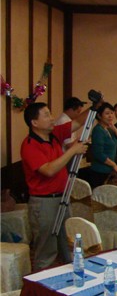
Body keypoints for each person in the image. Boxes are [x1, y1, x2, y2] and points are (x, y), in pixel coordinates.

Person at [21, 101, 91, 270]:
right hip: (44, 202)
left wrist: (96, 106)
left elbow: (78, 121)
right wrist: (73, 150)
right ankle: (40, 282)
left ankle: (70, 279)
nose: (52, 118)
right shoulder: (30, 145)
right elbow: (49, 170)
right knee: (46, 250)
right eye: (46, 115)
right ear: (34, 122)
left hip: (63, 198)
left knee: (69, 244)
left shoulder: (54, 135)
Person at [88, 103, 117, 188]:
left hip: (109, 171)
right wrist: (114, 165)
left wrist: (113, 127)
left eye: (112, 113)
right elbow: (98, 154)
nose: (110, 116)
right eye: (107, 113)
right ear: (99, 116)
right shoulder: (98, 130)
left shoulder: (109, 129)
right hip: (99, 172)